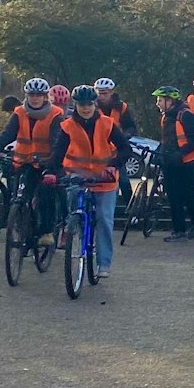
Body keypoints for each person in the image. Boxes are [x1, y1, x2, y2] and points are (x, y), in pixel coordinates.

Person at [49, 84, 132, 279]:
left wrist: (114, 165)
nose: (85, 108)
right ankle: (70, 235)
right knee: (72, 213)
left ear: (94, 104)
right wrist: (50, 171)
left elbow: (125, 149)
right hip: (78, 177)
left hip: (105, 180)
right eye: (81, 104)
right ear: (75, 105)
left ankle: (103, 263)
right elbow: (57, 154)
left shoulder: (107, 124)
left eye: (89, 104)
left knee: (103, 219)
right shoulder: (67, 126)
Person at [0, 77, 65, 245]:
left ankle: (47, 232)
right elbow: (8, 133)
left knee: (45, 195)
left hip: (46, 163)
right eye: (31, 94)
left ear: (45, 96)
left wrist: (51, 161)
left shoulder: (55, 114)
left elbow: (57, 141)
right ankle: (22, 225)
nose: (35, 98)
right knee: (20, 197)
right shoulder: (19, 112)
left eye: (39, 95)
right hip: (23, 162)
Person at [153, 85, 194, 241]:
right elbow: (167, 139)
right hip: (172, 162)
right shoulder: (166, 117)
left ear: (170, 101)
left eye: (160, 100)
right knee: (173, 196)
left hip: (190, 163)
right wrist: (161, 153)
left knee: (190, 196)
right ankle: (179, 230)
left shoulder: (186, 115)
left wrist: (180, 154)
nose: (158, 103)